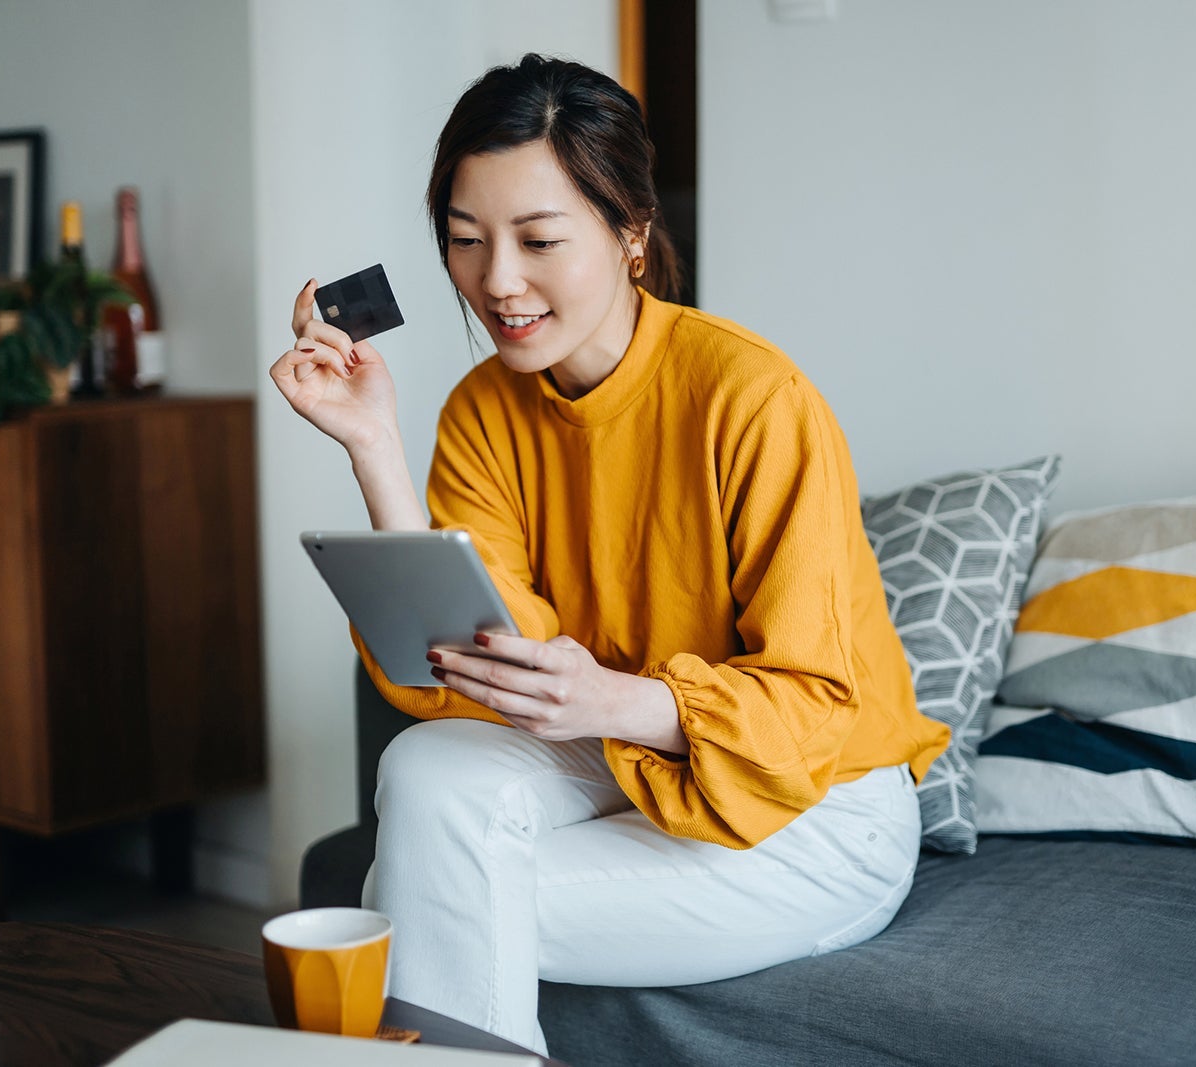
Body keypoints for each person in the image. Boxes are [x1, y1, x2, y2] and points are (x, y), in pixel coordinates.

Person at [269, 54, 950, 1056]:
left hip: (813, 807)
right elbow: (473, 668)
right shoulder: (482, 410)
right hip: (618, 755)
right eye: (465, 241)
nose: (498, 282)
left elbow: (815, 707)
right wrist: (373, 445)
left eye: (539, 239)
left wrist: (618, 701)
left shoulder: (751, 397)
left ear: (631, 233)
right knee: (425, 769)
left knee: (411, 892)